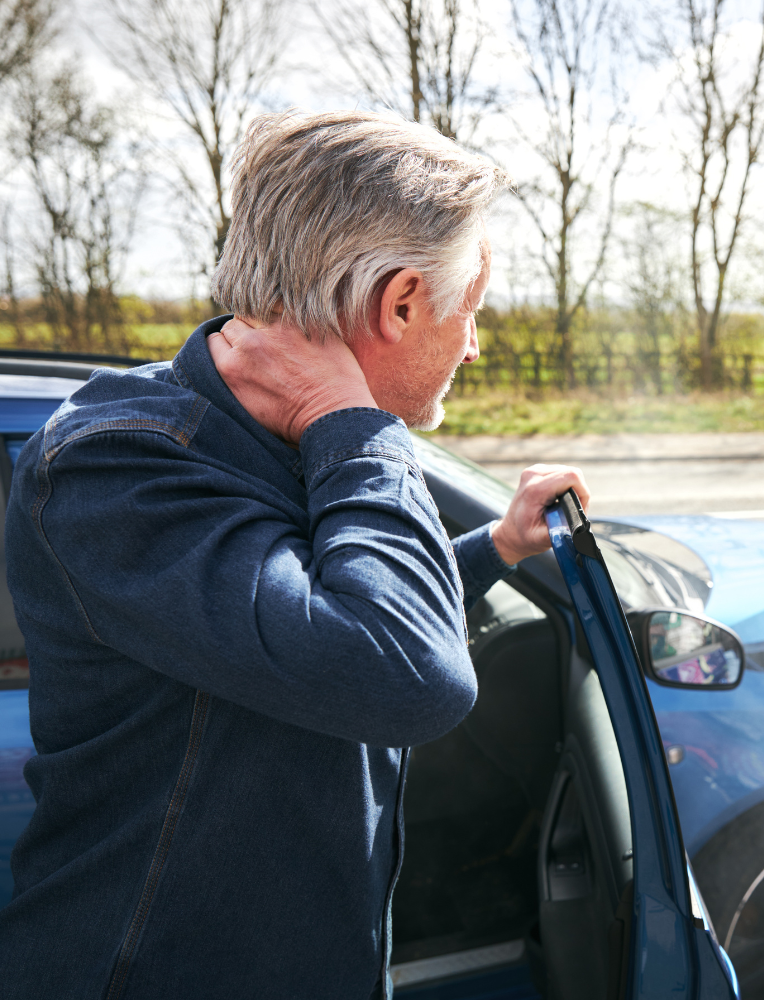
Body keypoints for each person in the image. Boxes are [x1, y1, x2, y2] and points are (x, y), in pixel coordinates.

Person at [0, 111, 590, 1000]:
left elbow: (313, 614)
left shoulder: (280, 440)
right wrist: (354, 425)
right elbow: (402, 670)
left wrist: (496, 547)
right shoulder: (116, 466)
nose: (473, 343)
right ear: (398, 302)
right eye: (469, 310)